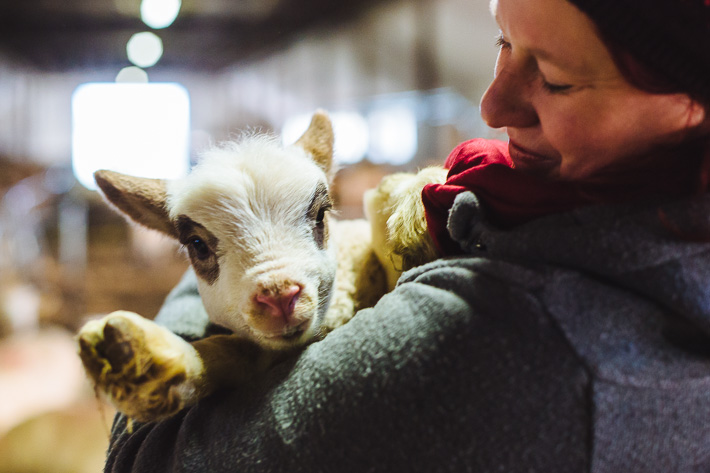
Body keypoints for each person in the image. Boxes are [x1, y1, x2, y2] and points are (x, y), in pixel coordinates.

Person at [105, 0, 710, 471]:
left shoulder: (490, 337)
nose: (492, 105)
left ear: (692, 102)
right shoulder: (648, 242)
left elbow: (142, 461)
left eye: (555, 79)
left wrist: (207, 253)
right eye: (502, 40)